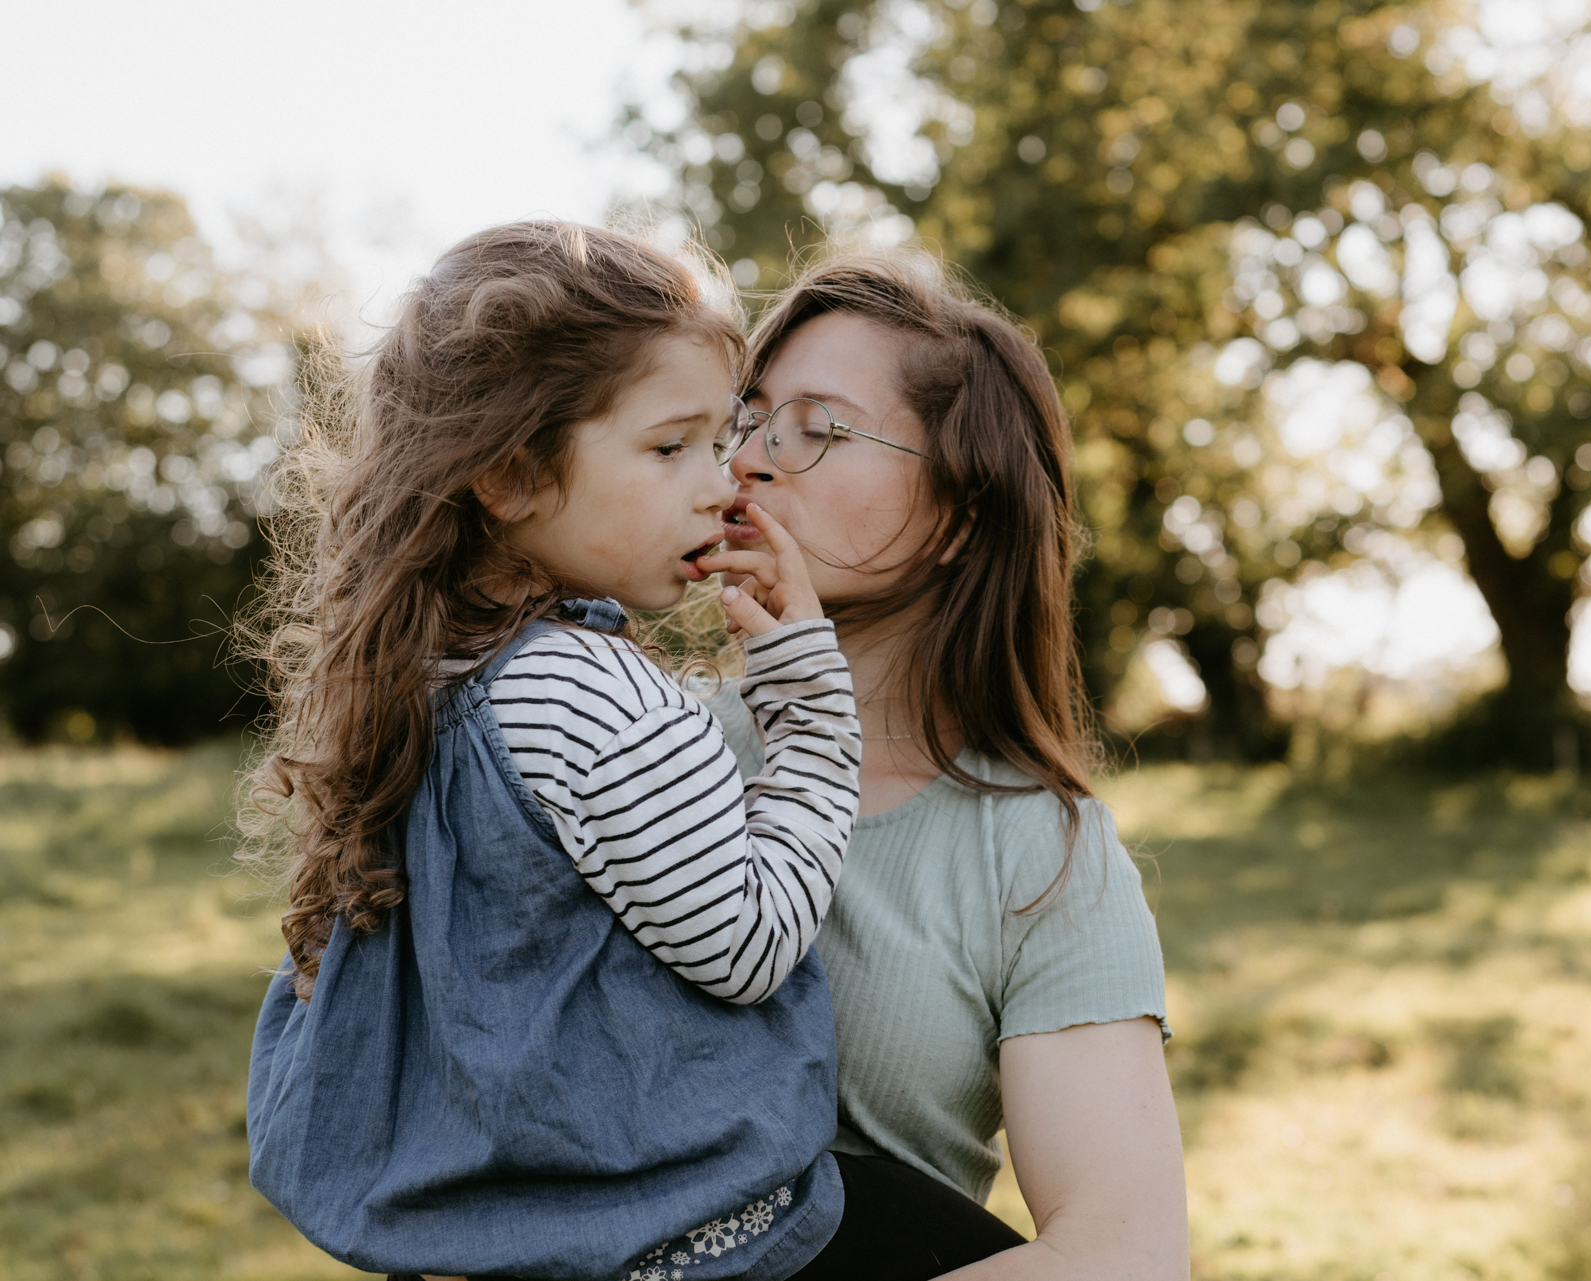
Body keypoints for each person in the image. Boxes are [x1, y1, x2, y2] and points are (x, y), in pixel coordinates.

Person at [239, 222, 1022, 1281]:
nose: (722, 481)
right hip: (694, 1236)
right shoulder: (592, 690)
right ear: (511, 477)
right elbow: (750, 945)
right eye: (670, 448)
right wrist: (811, 707)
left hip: (500, 1238)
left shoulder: (426, 679)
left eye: (722, 437)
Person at [701, 249, 1190, 1279]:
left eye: (819, 429)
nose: (746, 458)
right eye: (747, 417)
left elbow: (1124, 1255)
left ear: (961, 516)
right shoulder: (631, 741)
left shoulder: (1045, 854)